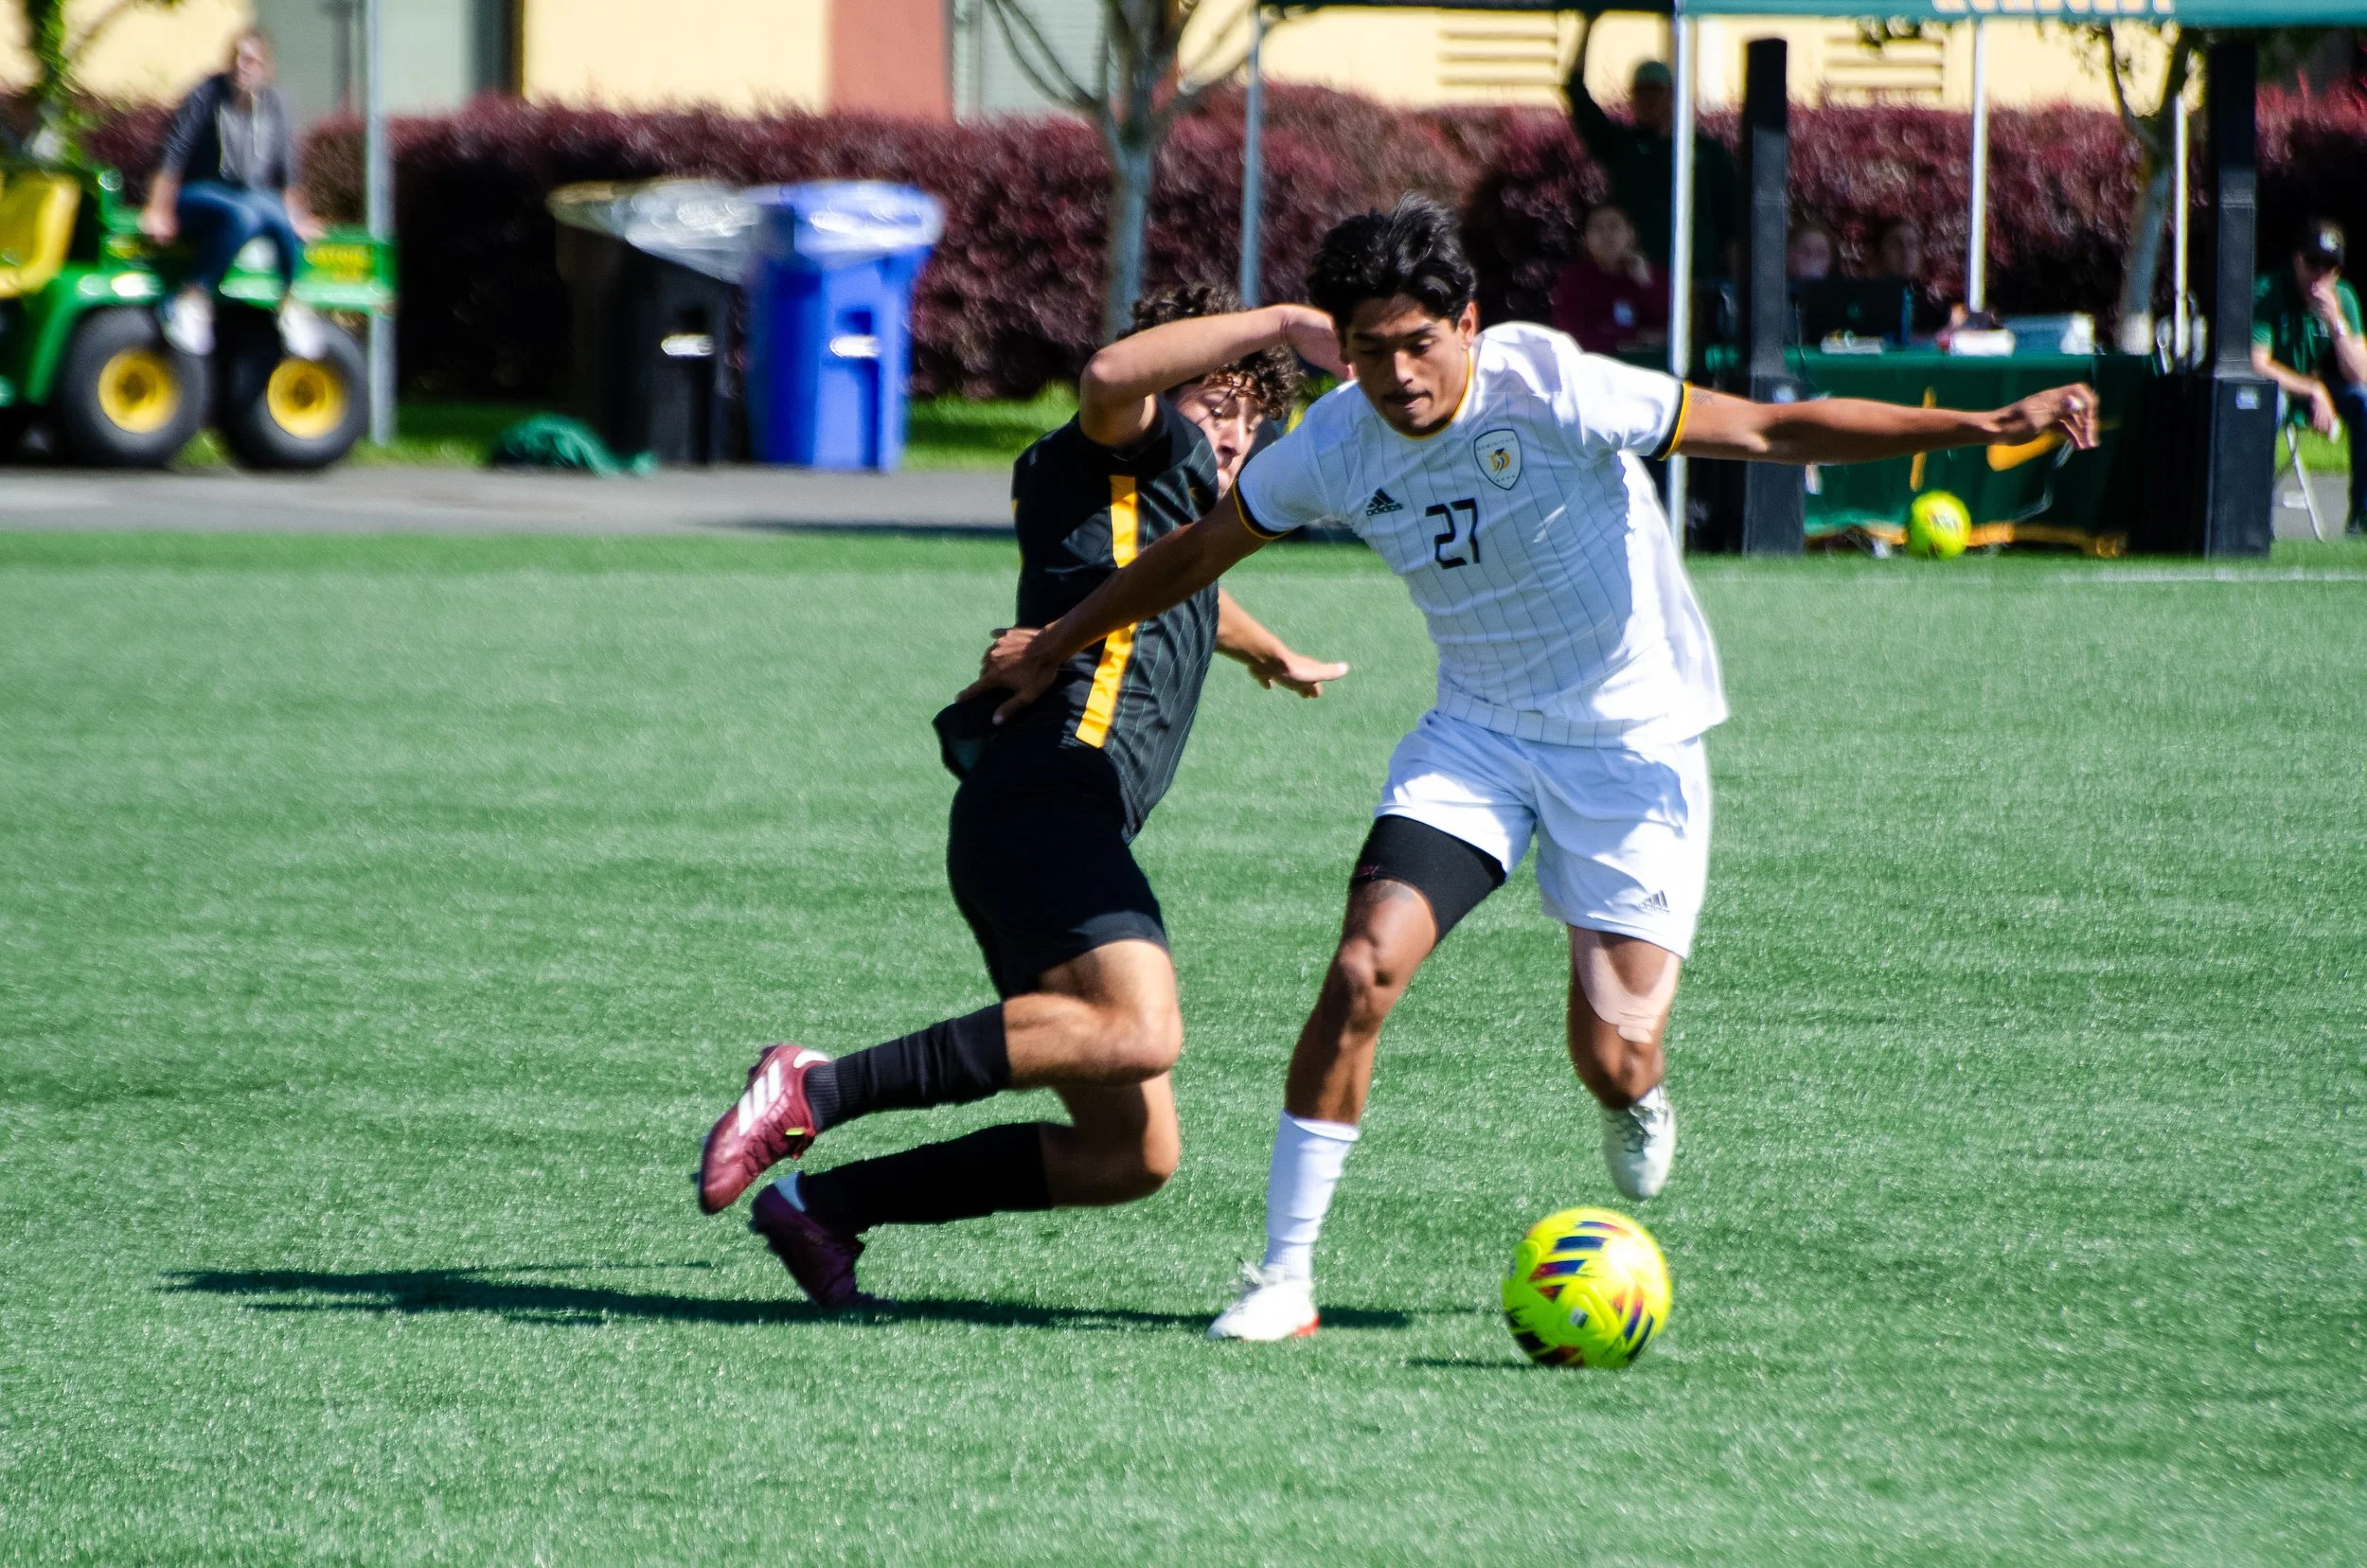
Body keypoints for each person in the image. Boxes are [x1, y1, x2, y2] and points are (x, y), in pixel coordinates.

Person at [970, 196, 2098, 1343]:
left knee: (1612, 1059)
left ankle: (1636, 1096)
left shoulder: (1553, 386)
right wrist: (1052, 645)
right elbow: (1196, 552)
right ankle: (1281, 1278)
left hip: (1630, 746)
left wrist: (1981, 422)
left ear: (1467, 323)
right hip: (1477, 738)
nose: (1398, 375)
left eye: (1419, 343)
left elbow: (1769, 430)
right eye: (1369, 350)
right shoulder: (1337, 443)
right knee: (1362, 970)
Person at [695, 283, 1352, 1307]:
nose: (1232, 438)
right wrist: (1277, 323)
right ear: (1165, 393)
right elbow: (1109, 376)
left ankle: (823, 1209)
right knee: (1142, 1029)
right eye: (1213, 406)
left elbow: (1185, 587)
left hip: (1034, 819)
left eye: (1252, 421)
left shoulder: (1152, 513)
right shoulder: (1129, 450)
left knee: (1131, 1155)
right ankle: (813, 1088)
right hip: (1051, 798)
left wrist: (1268, 652)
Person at [139, 28, 326, 360]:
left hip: (252, 196)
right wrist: (157, 209)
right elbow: (174, 152)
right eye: (237, 58)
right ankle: (192, 297)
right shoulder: (207, 94)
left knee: (279, 218)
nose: (243, 65)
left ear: (265, 67)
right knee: (244, 214)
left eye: (251, 60)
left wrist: (298, 217)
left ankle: (291, 303)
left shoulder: (275, 104)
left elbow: (288, 172)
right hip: (201, 192)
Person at [1564, 49, 1737, 282]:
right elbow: (1575, 90)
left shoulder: (1707, 151)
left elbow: (1732, 219)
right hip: (1636, 277)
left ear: (1672, 95)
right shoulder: (1621, 146)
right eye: (1640, 93)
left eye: (1654, 92)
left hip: (1696, 276)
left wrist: (1735, 280)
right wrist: (1587, 31)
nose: (1647, 100)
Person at [2251, 220, 2367, 535]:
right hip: (2280, 388)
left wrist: (2337, 324)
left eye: (2329, 266)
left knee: (2363, 401)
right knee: (2269, 404)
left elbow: (2360, 374)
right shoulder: (2268, 292)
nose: (2320, 273)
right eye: (2313, 262)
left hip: (2323, 390)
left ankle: (2362, 517)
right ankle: (2257, 518)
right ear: (2297, 260)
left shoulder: (2344, 297)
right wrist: (2313, 390)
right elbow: (2258, 363)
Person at [1550, 204, 1666, 356]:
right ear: (1586, 239)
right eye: (1597, 228)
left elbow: (1673, 327)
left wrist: (1646, 283)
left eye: (1614, 226)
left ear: (1630, 234)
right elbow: (1571, 335)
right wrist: (1633, 337)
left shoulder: (1654, 276)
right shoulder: (1573, 280)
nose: (1606, 234)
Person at [1871, 216, 1949, 338]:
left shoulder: (1936, 308)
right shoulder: (1867, 303)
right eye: (1896, 245)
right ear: (1879, 253)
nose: (1905, 252)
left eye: (1912, 245)